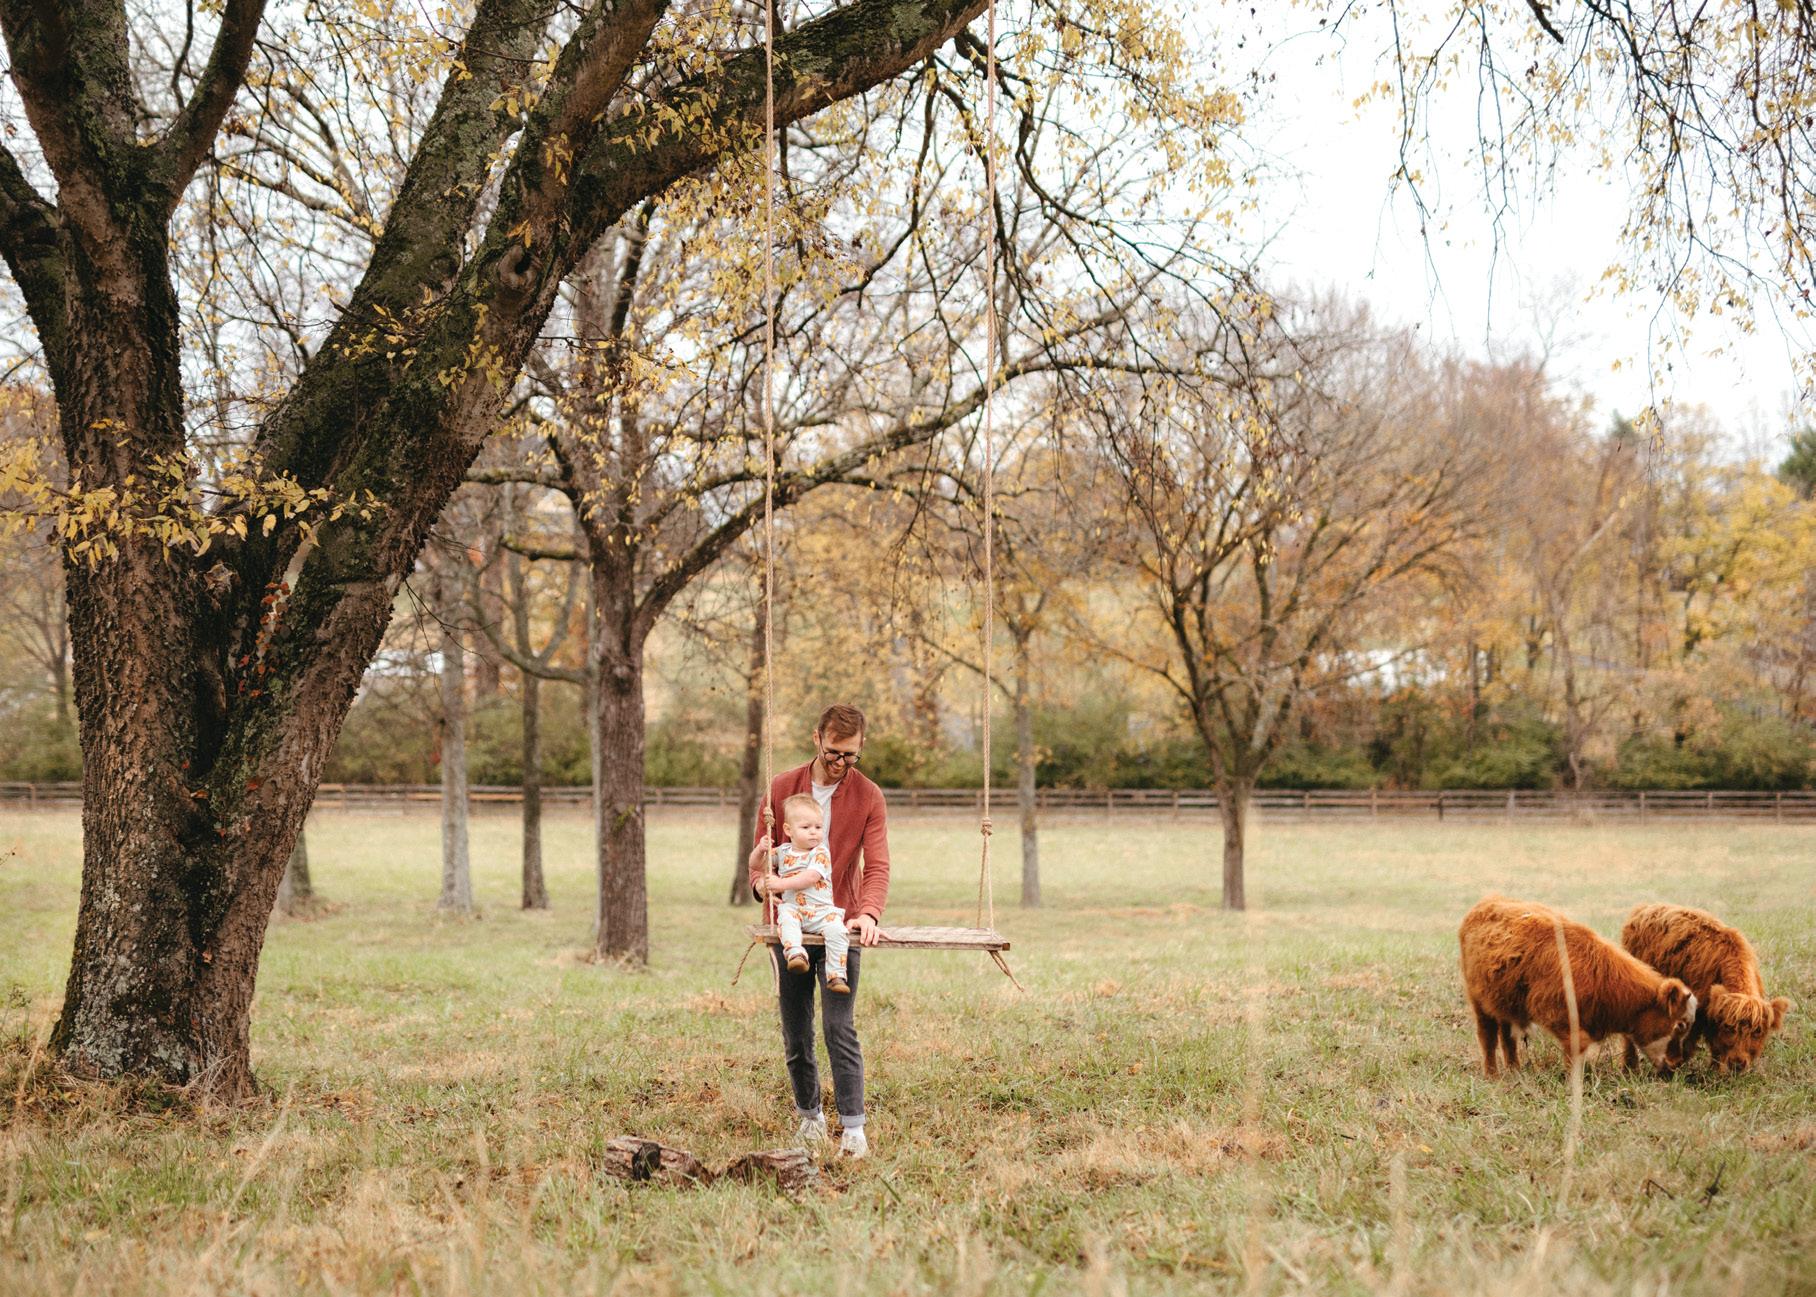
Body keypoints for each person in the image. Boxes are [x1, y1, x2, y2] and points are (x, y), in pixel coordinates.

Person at [748, 703, 889, 1160]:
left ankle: (853, 1128)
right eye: (833, 752)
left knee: (838, 1026)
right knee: (796, 1030)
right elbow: (761, 858)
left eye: (851, 754)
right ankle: (810, 1118)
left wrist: (868, 914)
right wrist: (760, 884)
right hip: (789, 923)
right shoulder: (781, 788)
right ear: (817, 739)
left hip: (837, 921)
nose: (841, 763)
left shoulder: (868, 796)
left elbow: (877, 865)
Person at [759, 794, 850, 992]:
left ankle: (836, 976)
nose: (813, 832)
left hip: (822, 912)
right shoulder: (782, 852)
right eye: (806, 827)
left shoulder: (820, 852)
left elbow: (810, 877)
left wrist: (781, 884)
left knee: (838, 931)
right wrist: (760, 850)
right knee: (786, 918)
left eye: (818, 827)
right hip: (795, 910)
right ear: (788, 830)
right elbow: (758, 865)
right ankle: (796, 954)